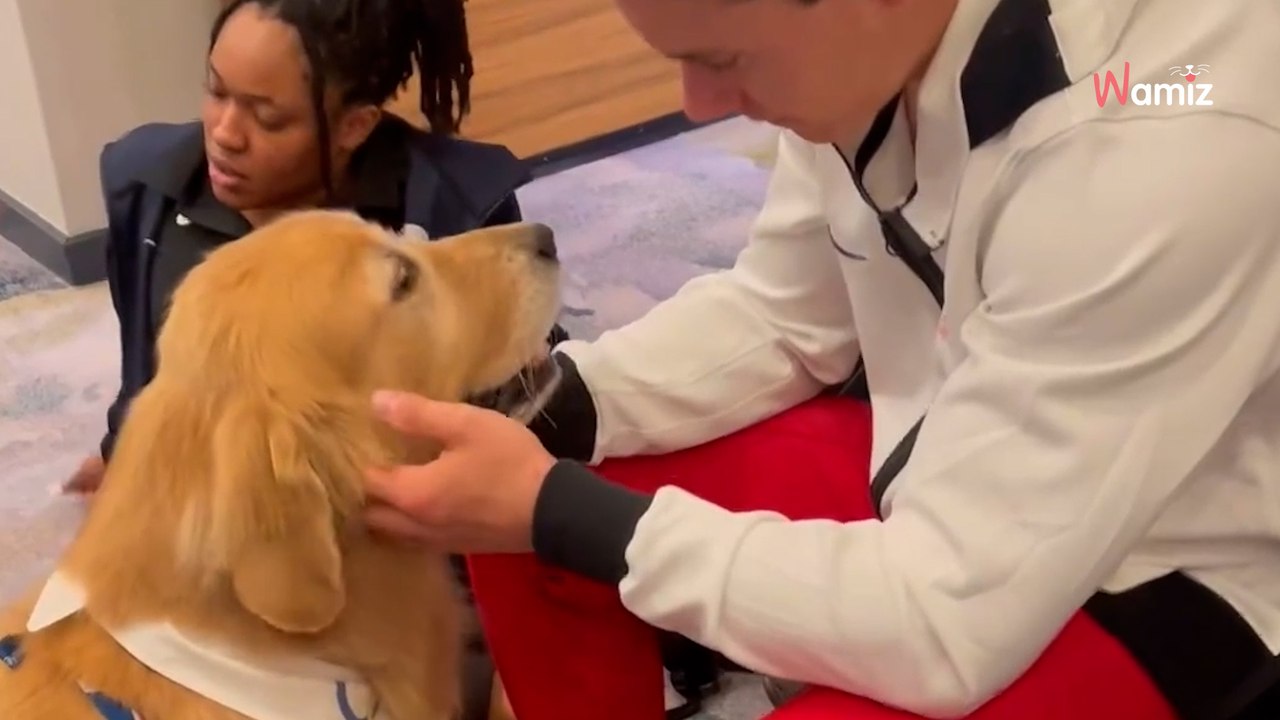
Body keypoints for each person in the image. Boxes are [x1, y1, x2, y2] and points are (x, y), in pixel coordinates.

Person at [363, 0, 1280, 719]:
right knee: (514, 492)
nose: (698, 106)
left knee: (550, 511)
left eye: (723, 60)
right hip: (939, 457)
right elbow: (790, 310)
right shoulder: (872, 54)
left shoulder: (1158, 144)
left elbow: (944, 622)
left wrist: (573, 517)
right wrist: (561, 404)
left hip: (1153, 581)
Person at [62, 0, 542, 494]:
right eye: (216, 90)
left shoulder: (452, 215)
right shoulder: (146, 186)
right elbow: (148, 370)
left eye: (267, 119)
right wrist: (121, 451)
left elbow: (521, 395)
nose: (224, 134)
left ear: (354, 126)